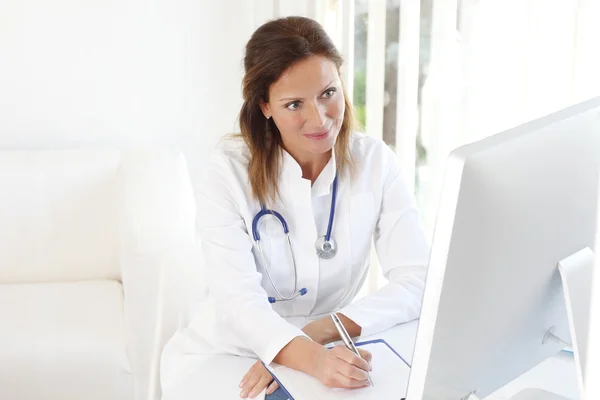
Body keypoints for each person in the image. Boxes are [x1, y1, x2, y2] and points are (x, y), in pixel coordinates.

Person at [160, 16, 430, 400]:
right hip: (231, 355)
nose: (319, 119)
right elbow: (239, 303)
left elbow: (418, 280)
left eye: (328, 93)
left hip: (329, 344)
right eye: (293, 104)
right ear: (265, 106)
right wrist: (306, 356)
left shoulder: (375, 162)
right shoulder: (227, 173)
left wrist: (316, 335)